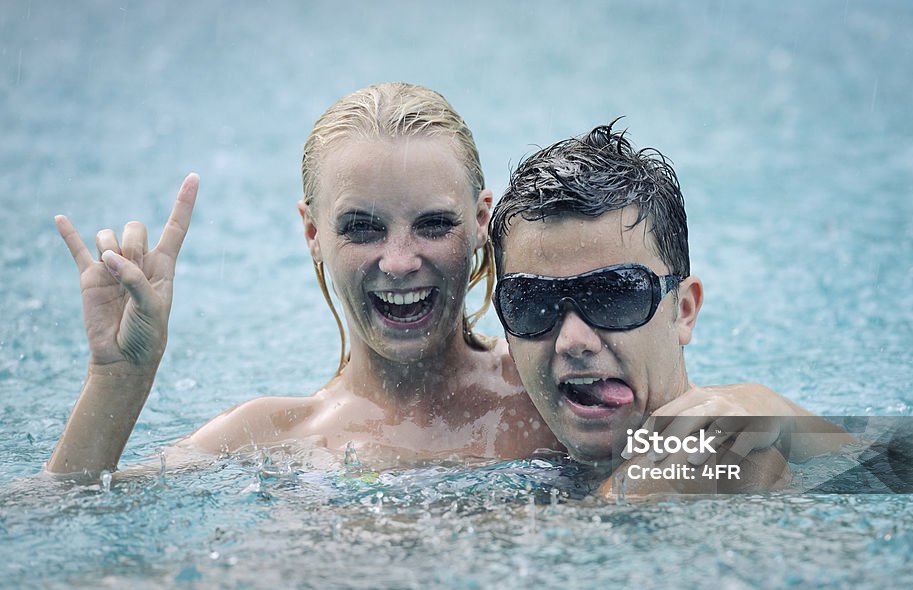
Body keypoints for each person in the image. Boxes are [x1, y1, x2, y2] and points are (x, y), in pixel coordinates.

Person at [45, 83, 814, 483]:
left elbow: (758, 459)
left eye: (434, 225)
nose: (401, 259)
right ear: (312, 232)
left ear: (483, 223)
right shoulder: (272, 437)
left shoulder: (564, 393)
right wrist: (117, 379)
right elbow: (58, 523)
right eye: (362, 227)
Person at [489, 123, 850, 495]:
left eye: (614, 295)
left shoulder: (732, 455)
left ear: (684, 311)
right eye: (532, 303)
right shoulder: (509, 446)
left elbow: (904, 469)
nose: (572, 340)